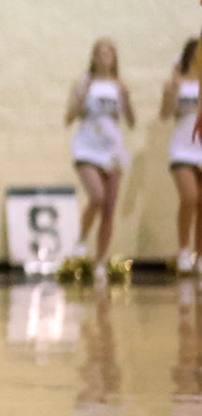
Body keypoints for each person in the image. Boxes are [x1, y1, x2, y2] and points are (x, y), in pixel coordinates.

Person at [68, 38, 134, 282]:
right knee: (97, 196)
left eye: (109, 53)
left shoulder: (119, 85)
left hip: (112, 148)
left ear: (114, 58)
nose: (105, 57)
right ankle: (82, 238)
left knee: (109, 209)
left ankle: (100, 261)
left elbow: (131, 120)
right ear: (93, 56)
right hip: (87, 146)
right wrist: (82, 96)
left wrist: (126, 98)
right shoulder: (83, 83)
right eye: (100, 53)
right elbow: (69, 116)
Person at [169, 39, 202, 273]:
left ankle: (200, 255)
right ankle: (183, 250)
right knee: (189, 197)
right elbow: (165, 113)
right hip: (182, 146)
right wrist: (170, 91)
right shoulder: (177, 80)